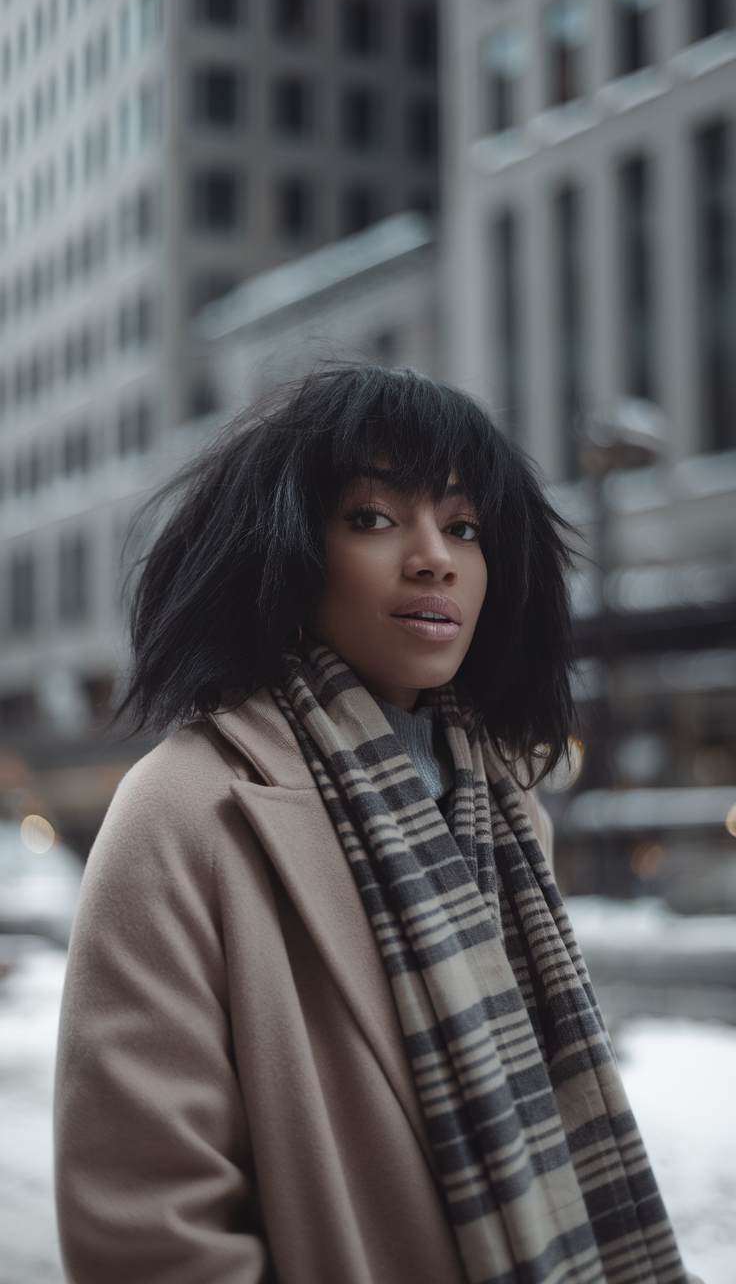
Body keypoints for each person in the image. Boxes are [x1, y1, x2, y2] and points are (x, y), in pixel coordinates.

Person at [55, 367, 693, 1284]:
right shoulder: (184, 810)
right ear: (288, 550)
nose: (434, 556)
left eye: (464, 526)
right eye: (374, 518)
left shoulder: (505, 807)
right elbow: (149, 1235)